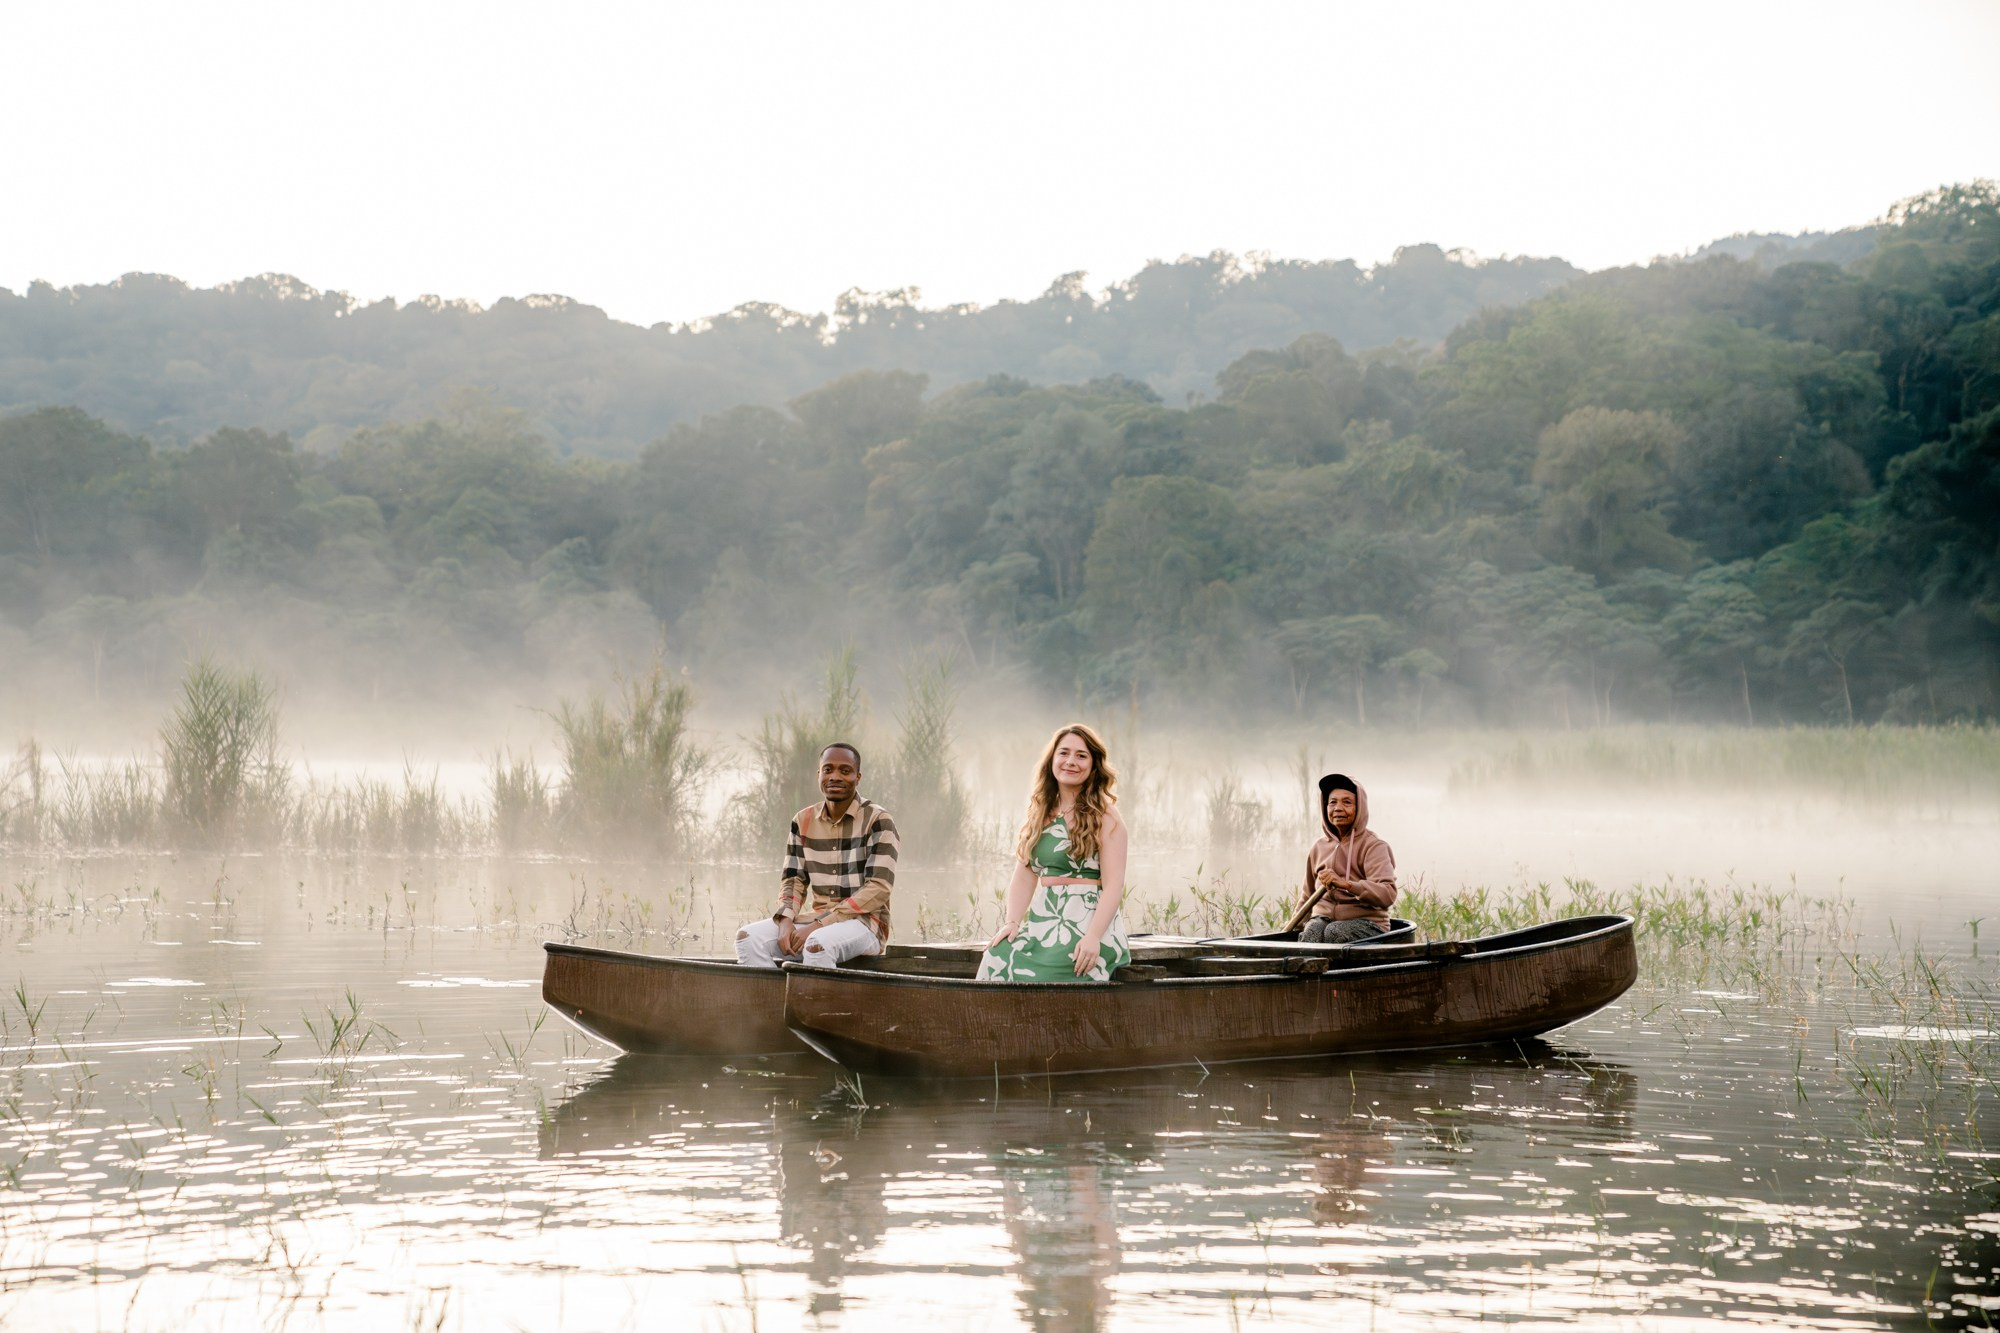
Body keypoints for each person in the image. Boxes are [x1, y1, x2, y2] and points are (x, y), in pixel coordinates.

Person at [978, 723, 1131, 982]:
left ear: (1094, 766)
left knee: (1052, 971)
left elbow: (1114, 885)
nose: (1071, 761)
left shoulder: (1105, 817)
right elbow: (1025, 874)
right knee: (996, 955)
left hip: (1089, 924)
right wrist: (1013, 922)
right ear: (1052, 760)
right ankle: (995, 1024)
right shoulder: (1041, 813)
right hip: (1045, 922)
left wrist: (1093, 937)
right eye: (1064, 753)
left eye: (1081, 756)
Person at [735, 742, 898, 969]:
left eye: (845, 770)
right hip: (816, 921)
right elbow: (793, 880)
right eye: (828, 769)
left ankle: (822, 1005)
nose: (835, 776)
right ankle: (773, 1003)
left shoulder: (877, 820)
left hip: (865, 925)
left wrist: (820, 924)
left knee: (816, 945)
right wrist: (785, 920)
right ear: (818, 775)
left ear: (858, 777)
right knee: (747, 938)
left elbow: (878, 887)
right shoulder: (803, 820)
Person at [1295, 772, 1396, 944]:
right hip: (1324, 921)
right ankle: (1312, 971)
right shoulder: (1318, 848)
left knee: (1334, 932)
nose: (1338, 808)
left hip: (1368, 924)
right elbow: (1307, 895)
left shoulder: (1374, 846)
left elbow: (1387, 893)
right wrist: (1291, 928)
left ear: (1360, 808)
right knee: (1312, 931)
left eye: (1347, 802)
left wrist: (1347, 884)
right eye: (1332, 802)